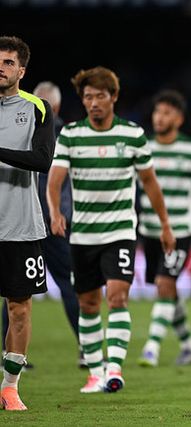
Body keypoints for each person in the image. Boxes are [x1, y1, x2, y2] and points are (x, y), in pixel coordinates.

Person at [47, 66, 176, 393]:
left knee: (117, 297)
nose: (94, 103)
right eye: (88, 97)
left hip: (120, 231)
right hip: (83, 234)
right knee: (88, 304)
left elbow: (150, 183)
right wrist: (54, 211)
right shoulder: (71, 135)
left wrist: (165, 224)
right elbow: (55, 180)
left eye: (100, 96)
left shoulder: (132, 134)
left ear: (113, 97)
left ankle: (114, 369)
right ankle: (95, 373)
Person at [1, 81, 85, 371]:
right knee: (65, 285)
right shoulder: (71, 136)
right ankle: (86, 349)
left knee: (14, 290)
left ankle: (9, 355)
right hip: (53, 221)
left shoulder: (38, 129)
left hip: (24, 220)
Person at [137, 90, 191, 367]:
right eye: (157, 112)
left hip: (181, 230)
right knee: (166, 289)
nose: (159, 118)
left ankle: (151, 348)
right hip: (150, 230)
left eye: (167, 113)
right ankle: (189, 347)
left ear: (179, 119)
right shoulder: (144, 147)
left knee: (164, 284)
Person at [0, 36, 55, 410]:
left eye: (8, 62)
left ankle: (10, 387)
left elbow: (42, 159)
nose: (1, 68)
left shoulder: (38, 107)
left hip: (20, 226)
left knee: (19, 309)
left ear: (21, 70)